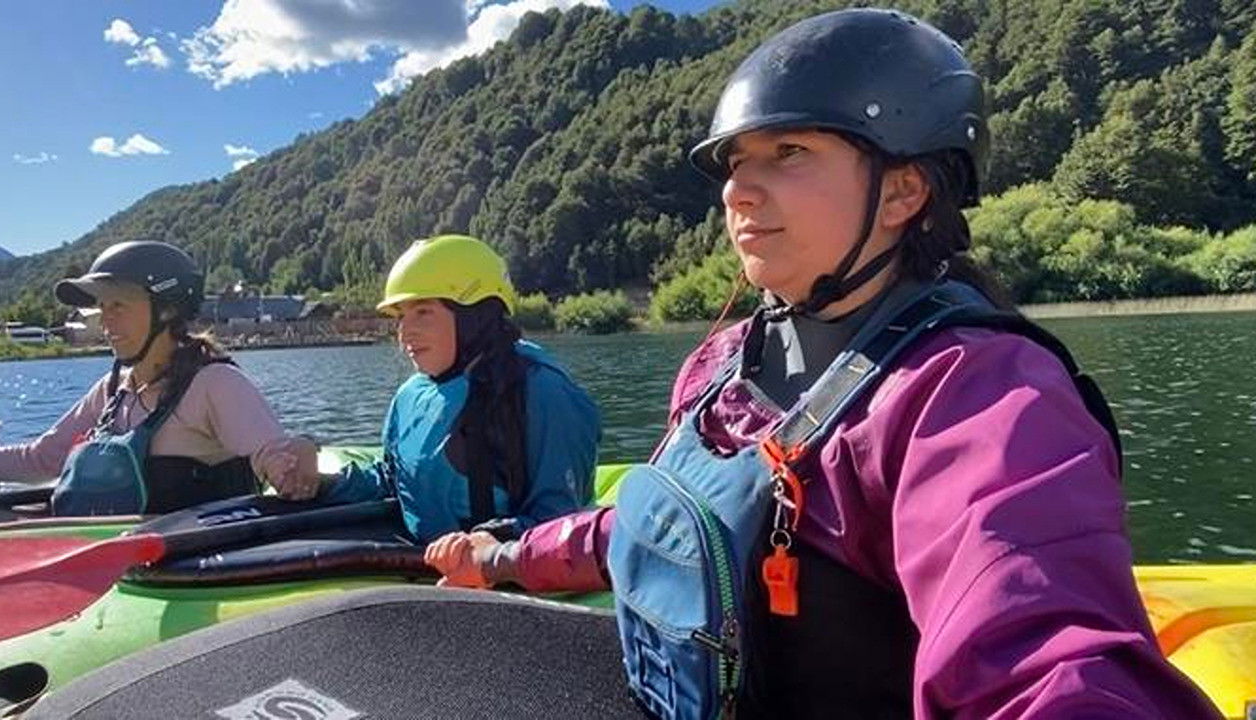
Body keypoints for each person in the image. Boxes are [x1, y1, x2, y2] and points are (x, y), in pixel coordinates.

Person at [426, 9, 1222, 719]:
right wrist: (501, 556)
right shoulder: (721, 365)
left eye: (789, 152)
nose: (739, 189)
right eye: (737, 162)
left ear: (905, 190)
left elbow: (1039, 653)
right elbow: (648, 522)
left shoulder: (981, 396)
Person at [269, 235, 601, 546]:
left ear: (475, 315)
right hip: (428, 565)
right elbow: (391, 479)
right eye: (401, 317)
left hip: (507, 575)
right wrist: (322, 484)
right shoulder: (411, 396)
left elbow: (561, 525)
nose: (404, 334)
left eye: (423, 312)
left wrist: (492, 547)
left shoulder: (545, 394)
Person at [0, 241, 309, 515]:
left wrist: (294, 462)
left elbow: (273, 454)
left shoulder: (216, 384)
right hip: (116, 566)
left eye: (118, 305)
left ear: (167, 309)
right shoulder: (112, 392)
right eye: (102, 307)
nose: (106, 321)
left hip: (190, 575)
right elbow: (41, 458)